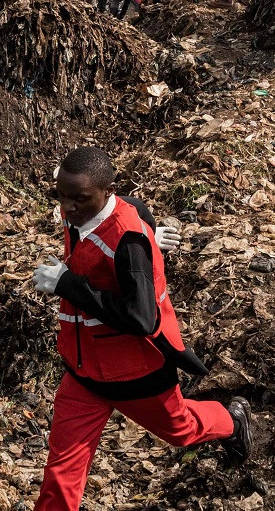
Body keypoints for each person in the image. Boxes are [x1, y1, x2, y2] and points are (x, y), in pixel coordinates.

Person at [30, 146, 251, 510]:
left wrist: (66, 284)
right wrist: (152, 231)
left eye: (79, 199)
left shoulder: (128, 241)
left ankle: (231, 419)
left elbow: (142, 319)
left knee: (181, 430)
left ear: (106, 192)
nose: (68, 208)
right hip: (83, 373)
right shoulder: (84, 212)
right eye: (62, 196)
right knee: (60, 474)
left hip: (135, 374)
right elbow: (136, 211)